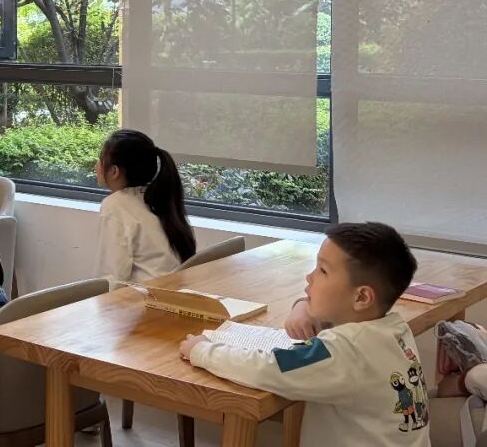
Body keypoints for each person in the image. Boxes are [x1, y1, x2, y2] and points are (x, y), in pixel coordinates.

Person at [179, 222, 430, 445]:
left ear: (362, 297)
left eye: (323, 271)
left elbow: (268, 369)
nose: (309, 277)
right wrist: (303, 306)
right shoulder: (395, 329)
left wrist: (201, 350)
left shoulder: (343, 350)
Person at [93, 129, 196, 287]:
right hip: (174, 292)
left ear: (114, 171)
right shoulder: (158, 197)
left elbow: (111, 279)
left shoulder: (115, 205)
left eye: (100, 159)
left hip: (148, 298)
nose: (96, 165)